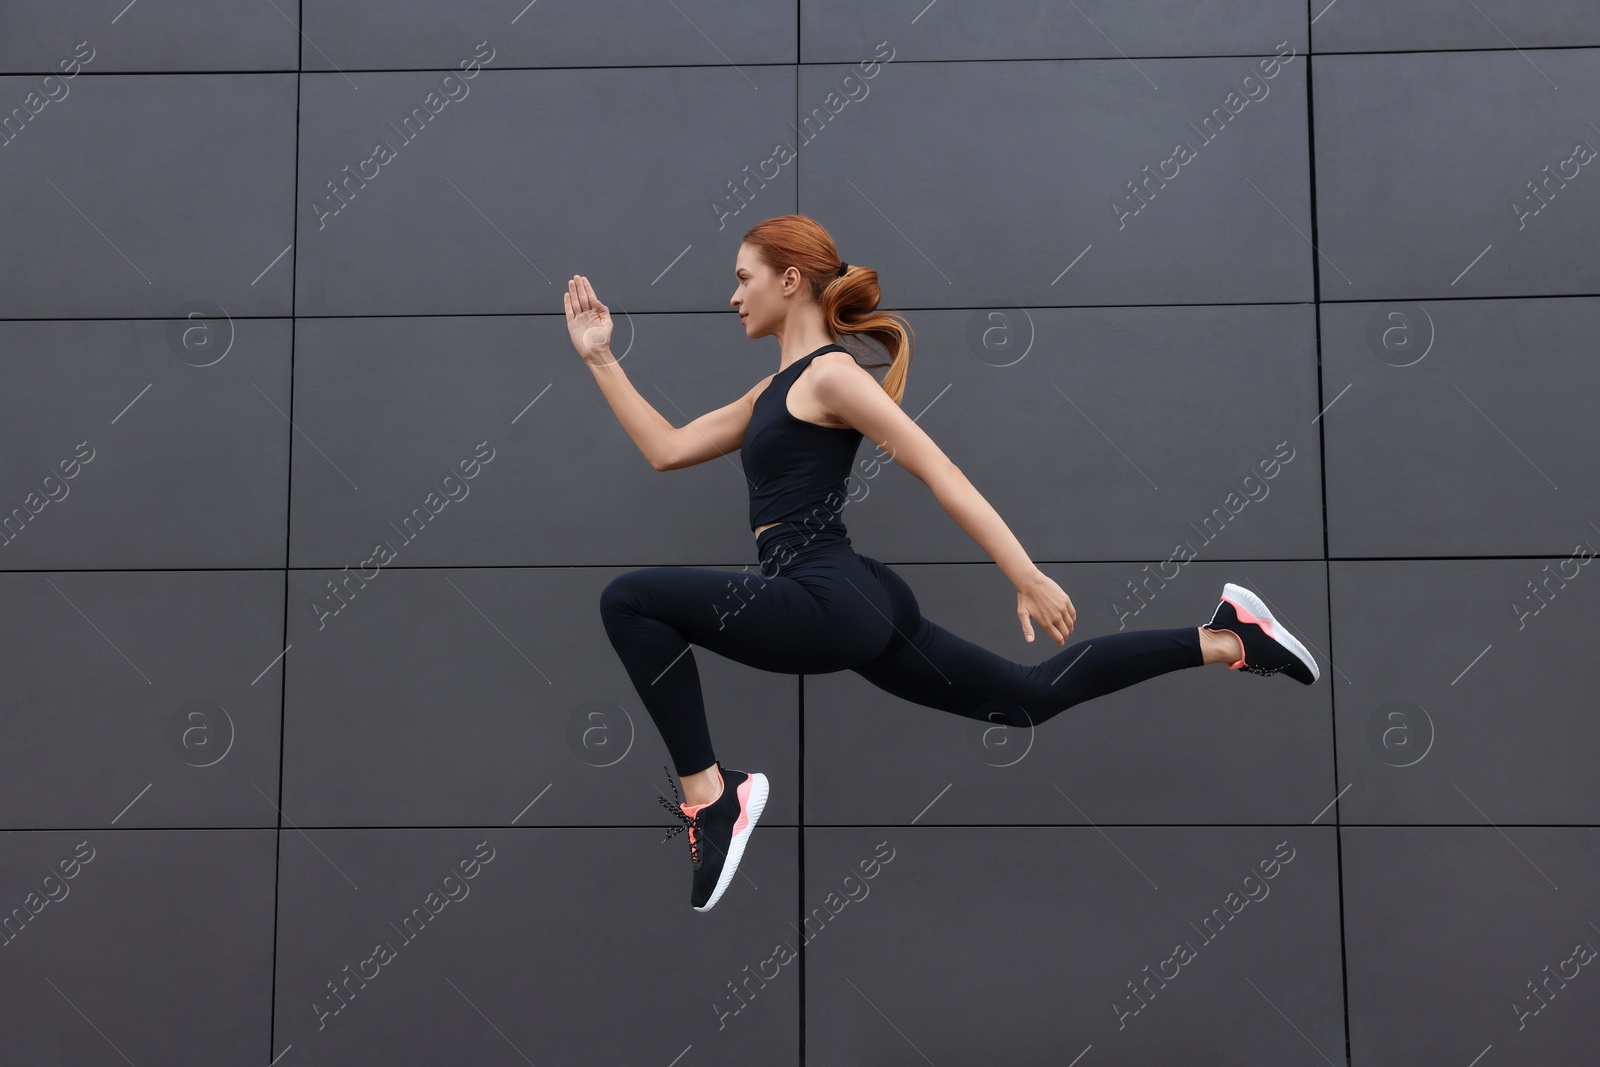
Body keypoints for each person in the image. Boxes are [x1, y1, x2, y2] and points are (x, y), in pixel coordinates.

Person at [567, 214, 1319, 912]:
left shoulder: (832, 376)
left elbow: (938, 469)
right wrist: (601, 357)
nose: (732, 296)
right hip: (858, 598)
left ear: (789, 279)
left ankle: (714, 796)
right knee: (1027, 699)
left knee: (630, 600)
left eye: (742, 277)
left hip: (830, 596)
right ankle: (1229, 636)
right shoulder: (772, 389)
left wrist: (1023, 571)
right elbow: (666, 448)